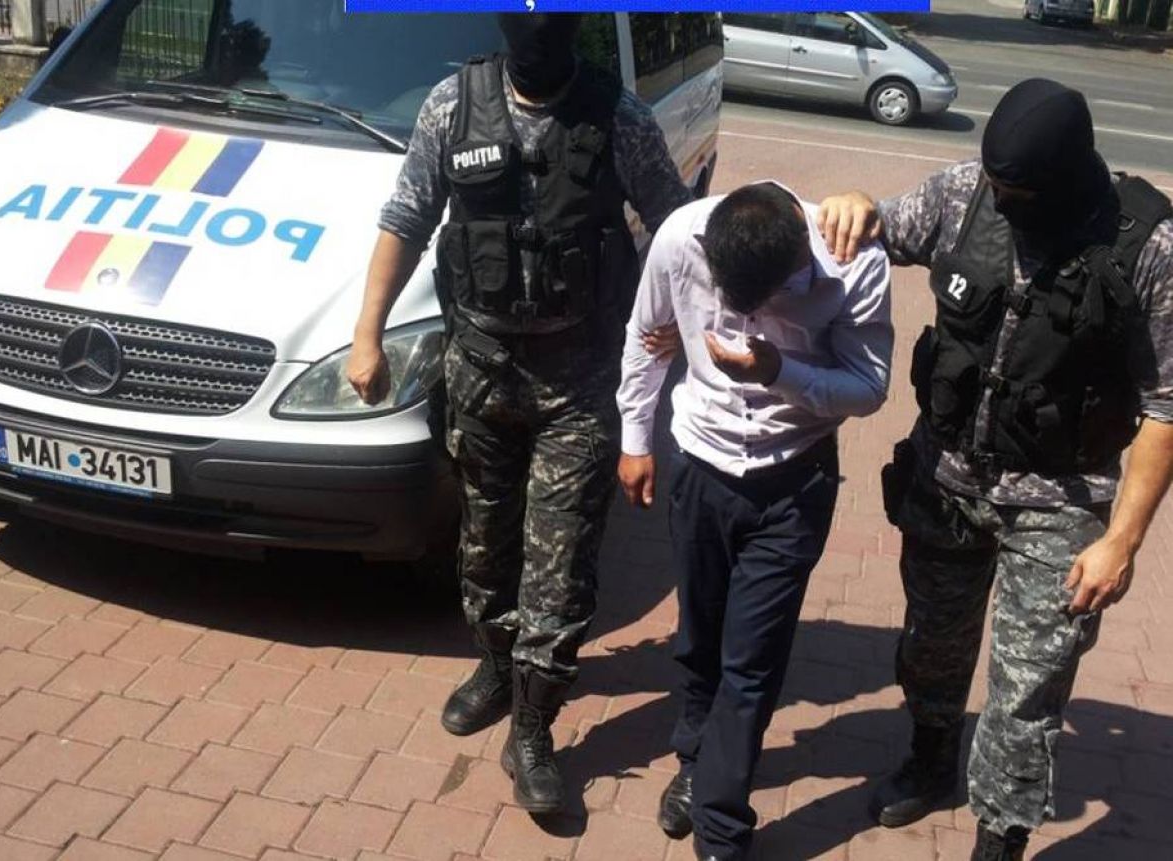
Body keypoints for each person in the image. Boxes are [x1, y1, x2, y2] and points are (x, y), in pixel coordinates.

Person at [816, 78, 1173, 861]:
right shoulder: (964, 194)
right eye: (997, 185)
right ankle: (930, 757)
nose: (1002, 202)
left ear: (1067, 178)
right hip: (945, 480)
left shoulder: (1147, 248)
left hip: (1060, 501)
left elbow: (1165, 407)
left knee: (1028, 689)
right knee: (932, 645)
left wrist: (1122, 541)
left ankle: (999, 838)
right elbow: (880, 227)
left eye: (1019, 193)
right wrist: (854, 204)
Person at [346, 13, 691, 813]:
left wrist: (676, 334)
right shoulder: (452, 106)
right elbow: (407, 218)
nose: (539, 38)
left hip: (581, 378)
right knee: (484, 546)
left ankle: (533, 726)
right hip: (480, 369)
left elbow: (677, 226)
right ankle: (498, 666)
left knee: (561, 563)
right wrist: (367, 334)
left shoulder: (617, 116)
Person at [617, 181, 893, 860]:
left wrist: (779, 371)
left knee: (752, 658)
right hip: (699, 466)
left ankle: (720, 825)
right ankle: (695, 759)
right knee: (699, 636)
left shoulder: (853, 263)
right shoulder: (681, 236)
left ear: (797, 259)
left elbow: (869, 386)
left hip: (793, 479)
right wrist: (634, 438)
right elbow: (647, 336)